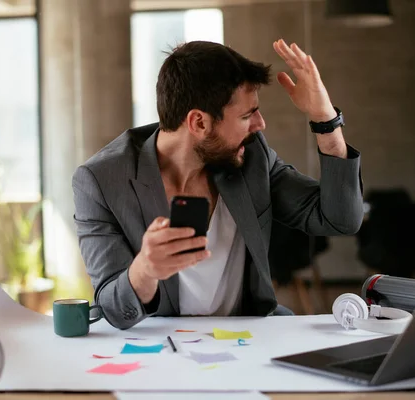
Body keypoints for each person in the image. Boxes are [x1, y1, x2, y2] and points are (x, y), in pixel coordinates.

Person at [72, 39, 363, 330]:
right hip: (162, 349)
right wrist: (144, 272)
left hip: (248, 341)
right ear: (198, 122)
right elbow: (112, 308)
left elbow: (339, 219)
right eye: (247, 115)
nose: (260, 124)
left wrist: (325, 120)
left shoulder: (251, 156)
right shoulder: (100, 182)